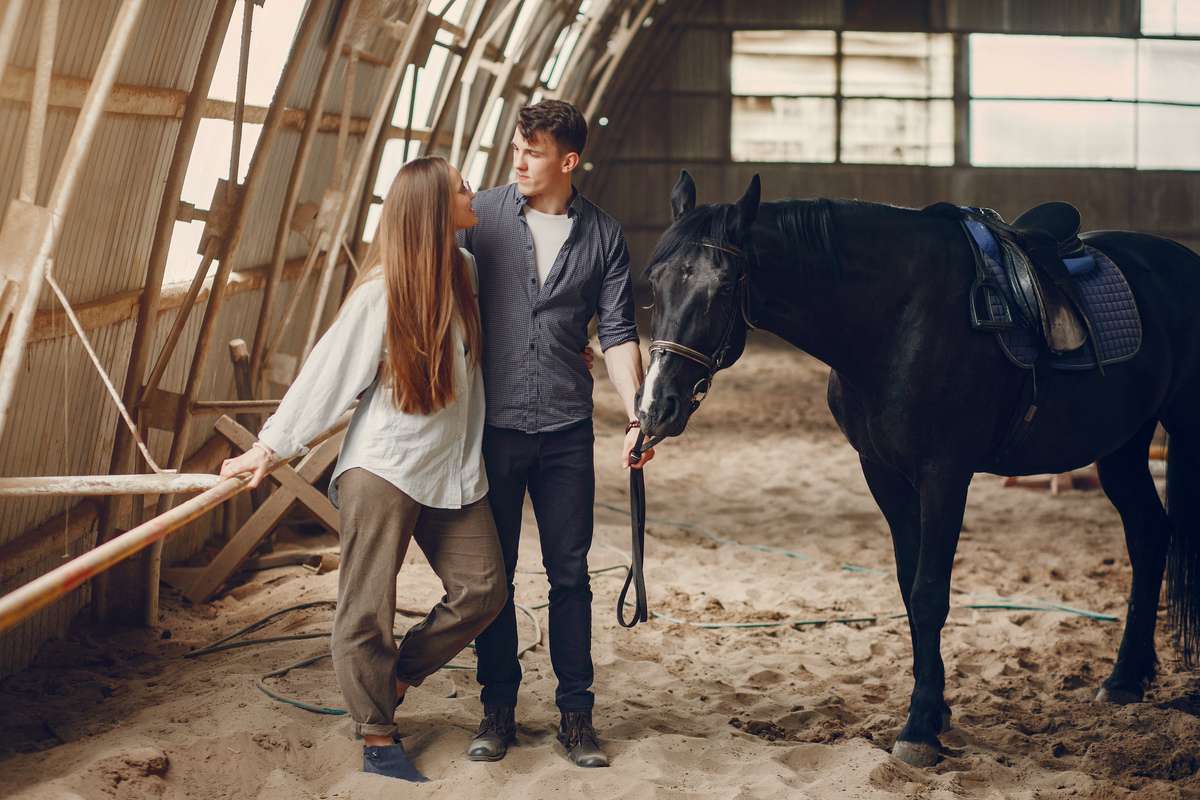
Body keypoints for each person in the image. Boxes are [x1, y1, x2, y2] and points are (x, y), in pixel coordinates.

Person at [220, 156, 506, 783]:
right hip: (384, 467)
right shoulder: (382, 294)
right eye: (460, 187)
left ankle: (398, 675)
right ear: (432, 209)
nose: (471, 191)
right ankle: (376, 730)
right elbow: (325, 378)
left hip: (452, 467)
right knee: (367, 607)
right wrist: (271, 448)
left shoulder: (465, 270)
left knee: (484, 588)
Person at [459, 99, 653, 769]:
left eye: (534, 150)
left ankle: (577, 717)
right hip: (492, 428)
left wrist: (637, 414)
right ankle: (498, 711)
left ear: (568, 161)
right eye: (517, 145)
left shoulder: (603, 235)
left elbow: (620, 333)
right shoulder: (479, 218)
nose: (518, 159)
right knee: (495, 579)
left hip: (567, 429)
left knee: (570, 577)